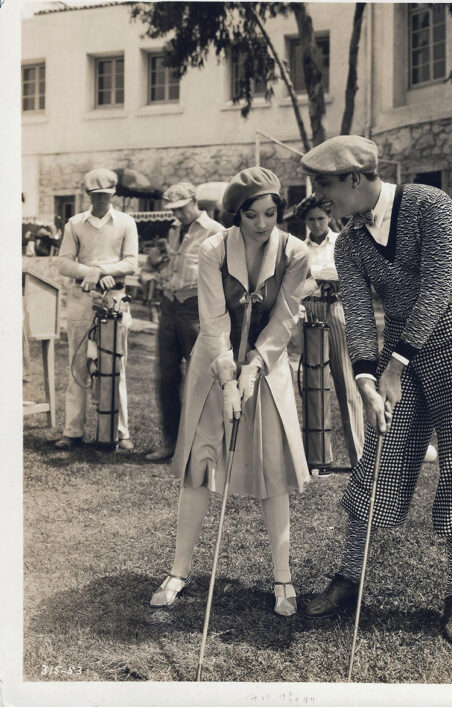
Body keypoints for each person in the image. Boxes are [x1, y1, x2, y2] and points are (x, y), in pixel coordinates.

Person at [300, 136, 452, 645]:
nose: (321, 198)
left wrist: (394, 366)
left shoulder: (429, 204)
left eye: (325, 186)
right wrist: (367, 379)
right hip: (398, 353)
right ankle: (349, 579)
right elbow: (360, 317)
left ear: (355, 178)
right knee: (381, 457)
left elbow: (438, 285)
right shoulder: (348, 242)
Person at [150, 167, 310, 616]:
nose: (262, 224)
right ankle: (179, 570)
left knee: (271, 471)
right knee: (199, 466)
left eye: (271, 214)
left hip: (267, 367)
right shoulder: (213, 249)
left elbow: (284, 319)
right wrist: (226, 379)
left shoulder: (295, 253)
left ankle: (283, 579)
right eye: (252, 215)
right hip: (212, 366)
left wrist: (252, 370)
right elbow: (214, 321)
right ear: (236, 214)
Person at [55, 168, 138, 450]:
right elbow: (64, 263)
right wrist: (90, 273)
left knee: (116, 365)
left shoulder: (126, 222)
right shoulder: (75, 224)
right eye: (95, 195)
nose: (101, 200)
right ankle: (72, 431)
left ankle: (120, 433)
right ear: (87, 195)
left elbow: (130, 262)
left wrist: (102, 270)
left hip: (116, 297)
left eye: (105, 195)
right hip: (81, 299)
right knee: (78, 365)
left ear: (113, 194)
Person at [145, 183, 224, 462]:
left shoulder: (215, 230)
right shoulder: (174, 229)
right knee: (167, 377)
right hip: (169, 306)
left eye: (181, 207)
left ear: (195, 201)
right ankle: (172, 442)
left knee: (201, 377)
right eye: (173, 209)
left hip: (195, 308)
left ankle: (203, 445)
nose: (177, 213)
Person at [296, 194, 365, 475]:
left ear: (329, 218)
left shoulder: (342, 242)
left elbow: (353, 275)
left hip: (337, 310)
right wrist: (316, 280)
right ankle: (318, 459)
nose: (316, 224)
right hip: (310, 310)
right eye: (311, 219)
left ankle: (360, 457)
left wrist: (327, 278)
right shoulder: (299, 249)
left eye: (321, 219)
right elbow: (295, 287)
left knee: (346, 383)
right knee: (315, 384)